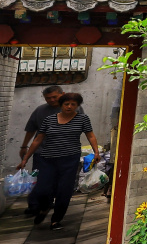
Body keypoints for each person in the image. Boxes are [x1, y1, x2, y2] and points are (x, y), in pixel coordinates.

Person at [15, 93, 98, 230]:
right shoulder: (49, 120)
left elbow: (90, 135)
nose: (69, 107)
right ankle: (45, 207)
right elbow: (38, 139)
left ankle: (56, 219)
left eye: (73, 104)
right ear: (61, 105)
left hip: (70, 160)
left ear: (77, 106)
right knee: (42, 189)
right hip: (48, 160)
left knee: (64, 191)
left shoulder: (83, 119)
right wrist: (25, 158)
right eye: (66, 104)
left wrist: (96, 152)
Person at [18, 86, 64, 216]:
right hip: (42, 151)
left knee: (56, 181)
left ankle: (47, 203)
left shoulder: (72, 108)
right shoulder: (40, 110)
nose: (52, 100)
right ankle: (34, 205)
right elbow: (31, 129)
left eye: (55, 97)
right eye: (48, 98)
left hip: (63, 152)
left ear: (63, 94)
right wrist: (24, 146)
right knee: (39, 179)